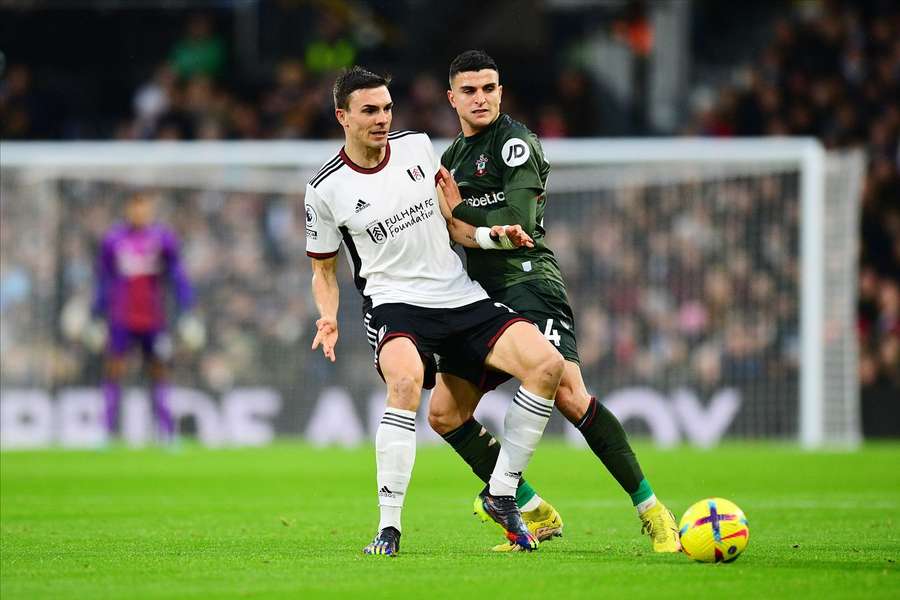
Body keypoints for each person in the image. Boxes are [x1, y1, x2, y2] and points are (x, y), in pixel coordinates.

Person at [305, 66, 566, 556]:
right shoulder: (325, 188)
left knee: (547, 365)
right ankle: (388, 527)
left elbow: (455, 226)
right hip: (395, 303)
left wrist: (494, 235)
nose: (382, 119)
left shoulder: (418, 148)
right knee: (404, 383)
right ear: (343, 116)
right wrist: (328, 315)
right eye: (369, 111)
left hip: (458, 294)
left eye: (386, 108)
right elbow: (323, 270)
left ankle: (503, 492)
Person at [427, 50, 681, 552]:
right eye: (470, 90)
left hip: (525, 283)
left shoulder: (516, 143)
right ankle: (531, 509)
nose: (481, 98)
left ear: (501, 92)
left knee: (568, 394)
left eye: (489, 88)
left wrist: (462, 217)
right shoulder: (451, 159)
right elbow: (448, 232)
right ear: (451, 97)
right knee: (444, 415)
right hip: (475, 298)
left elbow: (518, 221)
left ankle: (652, 508)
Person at [92, 191, 200, 443]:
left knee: (159, 371)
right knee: (114, 370)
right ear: (128, 210)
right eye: (135, 207)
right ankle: (105, 432)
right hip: (121, 318)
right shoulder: (113, 240)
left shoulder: (162, 238)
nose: (139, 213)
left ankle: (166, 433)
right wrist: (96, 313)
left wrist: (188, 309)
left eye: (144, 208)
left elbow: (177, 276)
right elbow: (104, 279)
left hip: (153, 319)